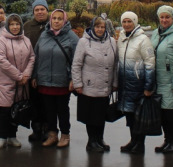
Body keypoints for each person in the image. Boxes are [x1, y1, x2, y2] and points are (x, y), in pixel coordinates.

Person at [32, 9, 79, 148]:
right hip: (45, 80)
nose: (56, 21)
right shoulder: (44, 36)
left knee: (62, 110)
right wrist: (35, 75)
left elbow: (76, 61)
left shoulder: (72, 37)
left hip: (62, 82)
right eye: (54, 18)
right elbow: (36, 57)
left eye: (60, 19)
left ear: (64, 21)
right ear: (50, 20)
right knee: (49, 110)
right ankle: (52, 134)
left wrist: (73, 79)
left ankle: (65, 135)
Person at [72, 16, 118, 152]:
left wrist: (115, 82)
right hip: (89, 86)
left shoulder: (111, 42)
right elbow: (76, 64)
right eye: (97, 27)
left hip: (105, 85)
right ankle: (91, 141)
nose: (100, 29)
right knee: (91, 115)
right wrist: (78, 84)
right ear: (93, 27)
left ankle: (99, 139)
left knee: (101, 115)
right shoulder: (84, 42)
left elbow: (115, 64)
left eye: (102, 27)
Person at [0, 14, 35, 149]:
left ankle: (12, 136)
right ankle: (2, 137)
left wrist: (26, 75)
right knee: (5, 112)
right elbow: (1, 61)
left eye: (17, 24)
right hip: (5, 82)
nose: (15, 27)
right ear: (7, 26)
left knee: (16, 111)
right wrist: (18, 76)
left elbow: (32, 58)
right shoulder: (1, 41)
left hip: (22, 82)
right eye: (12, 24)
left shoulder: (26, 40)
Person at [116, 11, 155, 155]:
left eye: (129, 22)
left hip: (138, 84)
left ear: (135, 22)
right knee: (130, 115)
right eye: (124, 22)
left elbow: (150, 63)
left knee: (139, 116)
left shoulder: (143, 39)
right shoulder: (121, 38)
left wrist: (148, 86)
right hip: (125, 84)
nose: (126, 24)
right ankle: (133, 141)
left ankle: (140, 144)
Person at [151, 5, 173, 154]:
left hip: (171, 82)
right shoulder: (155, 33)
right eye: (162, 17)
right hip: (158, 81)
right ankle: (166, 141)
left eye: (167, 17)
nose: (164, 20)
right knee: (163, 114)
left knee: (172, 114)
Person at [23, 0, 50, 142]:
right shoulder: (27, 26)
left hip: (49, 71)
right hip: (31, 71)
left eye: (42, 9)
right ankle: (36, 129)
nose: (40, 12)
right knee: (34, 101)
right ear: (33, 12)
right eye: (37, 10)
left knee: (48, 103)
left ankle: (48, 129)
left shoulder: (54, 24)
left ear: (47, 10)